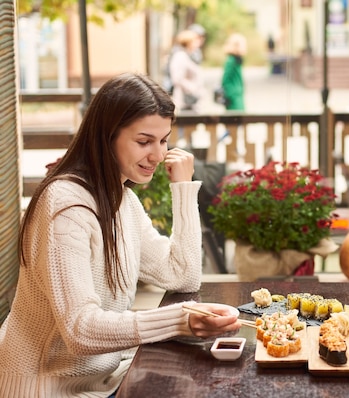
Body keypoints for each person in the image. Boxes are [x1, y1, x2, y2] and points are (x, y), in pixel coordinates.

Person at [0, 72, 241, 397]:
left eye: (163, 140)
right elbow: (80, 330)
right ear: (107, 136)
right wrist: (182, 319)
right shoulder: (65, 206)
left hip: (104, 380)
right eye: (144, 141)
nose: (158, 155)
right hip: (47, 387)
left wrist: (184, 189)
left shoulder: (123, 201)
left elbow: (184, 276)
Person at [169, 29, 208, 112]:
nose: (198, 43)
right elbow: (177, 78)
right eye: (195, 40)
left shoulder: (189, 55)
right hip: (185, 101)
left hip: (192, 101)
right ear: (188, 42)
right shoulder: (180, 56)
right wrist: (192, 88)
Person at [221, 33, 247, 111]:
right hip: (234, 97)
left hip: (238, 95)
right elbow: (225, 80)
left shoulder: (237, 60)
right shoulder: (231, 61)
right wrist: (231, 95)